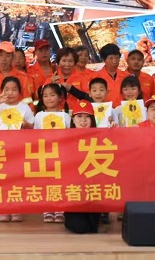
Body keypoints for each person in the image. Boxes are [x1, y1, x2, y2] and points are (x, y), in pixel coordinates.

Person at [65, 100, 103, 234]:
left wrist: (113, 131)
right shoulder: (64, 139)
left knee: (93, 228)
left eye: (87, 117)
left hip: (93, 190)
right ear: (73, 119)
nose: (83, 120)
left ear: (92, 120)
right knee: (80, 228)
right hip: (74, 191)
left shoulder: (100, 137)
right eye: (79, 116)